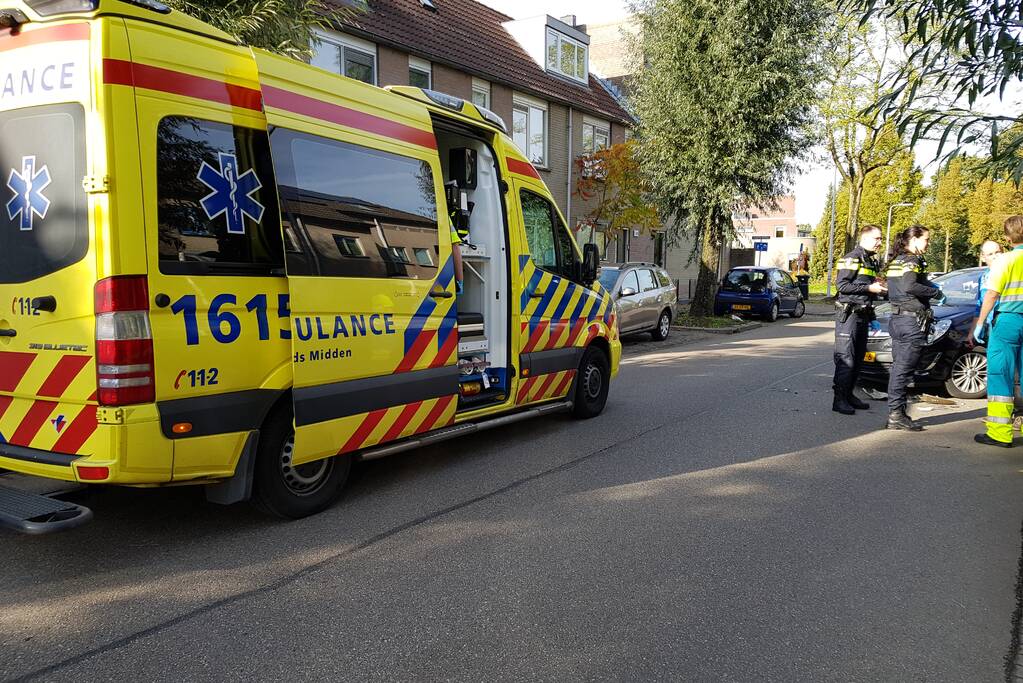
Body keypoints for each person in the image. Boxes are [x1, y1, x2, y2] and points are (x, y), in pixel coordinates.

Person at [884, 225, 944, 431]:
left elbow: (894, 289)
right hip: (911, 323)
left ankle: (896, 412)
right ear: (915, 239)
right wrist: (934, 293)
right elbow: (910, 286)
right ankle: (896, 415)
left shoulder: (897, 260)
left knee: (899, 368)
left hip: (898, 319)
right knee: (903, 369)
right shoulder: (912, 260)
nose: (928, 243)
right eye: (926, 239)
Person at [971, 217, 1023, 447]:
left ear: (1008, 238)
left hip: (1009, 322)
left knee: (1000, 373)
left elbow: (992, 294)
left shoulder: (1006, 260)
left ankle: (1000, 433)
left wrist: (980, 323)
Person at [833, 225, 888, 415]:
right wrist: (869, 289)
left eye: (881, 239)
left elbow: (866, 289)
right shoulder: (852, 258)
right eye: (877, 239)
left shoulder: (870, 261)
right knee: (846, 357)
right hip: (849, 315)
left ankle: (849, 395)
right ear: (864, 239)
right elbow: (842, 286)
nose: (880, 242)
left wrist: (875, 291)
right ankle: (839, 400)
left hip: (863, 314)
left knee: (858, 358)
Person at [974, 240, 1003, 334]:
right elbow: (980, 306)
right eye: (990, 254)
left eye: (997, 252)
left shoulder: (1010, 273)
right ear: (983, 257)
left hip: (1004, 325)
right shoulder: (983, 278)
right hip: (989, 328)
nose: (995, 256)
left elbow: (992, 296)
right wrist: (973, 331)